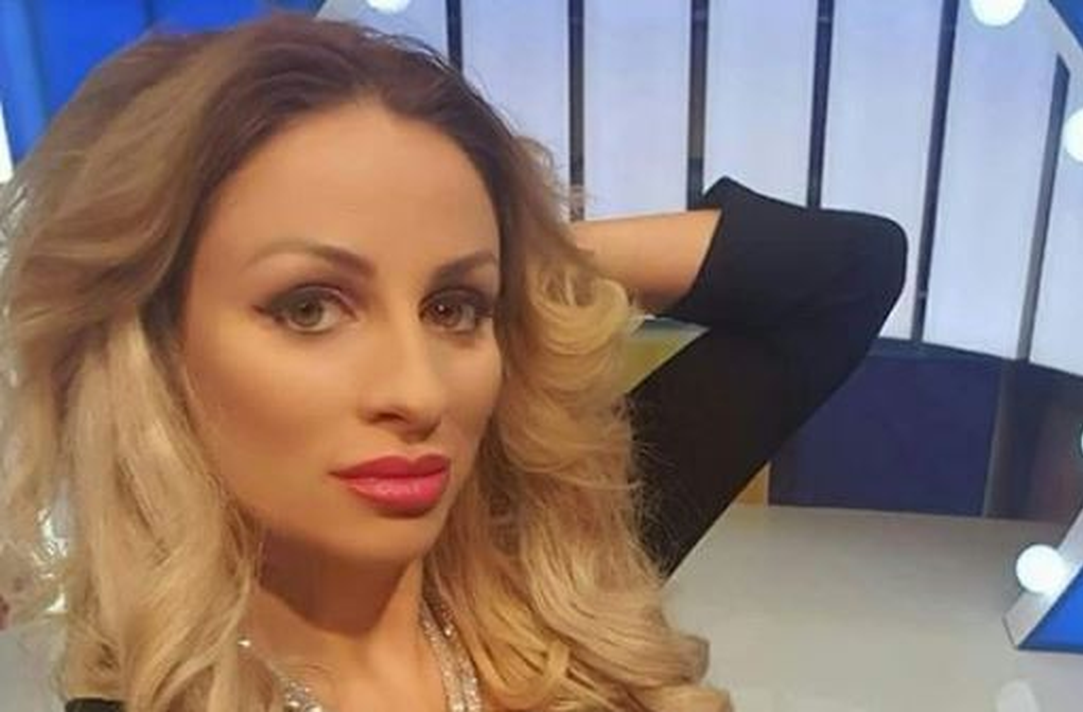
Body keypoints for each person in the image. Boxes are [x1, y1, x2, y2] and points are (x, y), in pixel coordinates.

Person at [0, 11, 905, 712]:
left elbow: (845, 274)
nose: (418, 390)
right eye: (310, 307)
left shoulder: (557, 581)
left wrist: (526, 254)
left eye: (453, 308)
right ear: (151, 344)